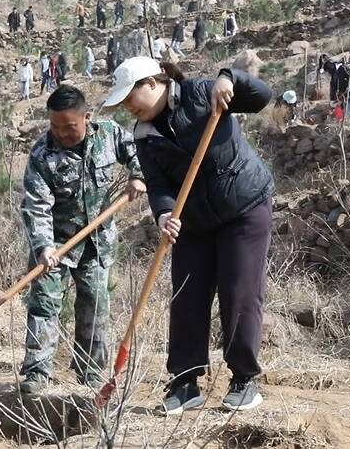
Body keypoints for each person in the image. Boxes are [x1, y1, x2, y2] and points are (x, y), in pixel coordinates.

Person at [102, 57, 274, 415]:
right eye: (122, 104)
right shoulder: (144, 135)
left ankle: (243, 380)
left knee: (239, 292)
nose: (128, 107)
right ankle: (185, 383)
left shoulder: (201, 93)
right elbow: (159, 184)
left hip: (243, 207)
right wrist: (164, 213)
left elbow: (261, 96)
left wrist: (230, 79)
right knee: (187, 299)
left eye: (130, 97)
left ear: (153, 82)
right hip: (192, 220)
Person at [18, 84, 145, 393]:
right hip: (56, 243)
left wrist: (138, 175)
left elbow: (139, 151)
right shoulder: (41, 155)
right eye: (55, 126)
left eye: (70, 126)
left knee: (95, 304)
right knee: (45, 303)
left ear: (87, 117)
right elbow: (36, 206)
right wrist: (44, 247)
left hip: (97, 241)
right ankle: (37, 372)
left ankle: (90, 372)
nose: (62, 133)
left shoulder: (108, 134)